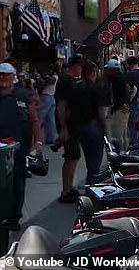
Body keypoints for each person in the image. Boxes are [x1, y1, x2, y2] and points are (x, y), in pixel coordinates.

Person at [0, 62, 42, 252]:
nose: (2, 79)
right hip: (1, 150)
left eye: (5, 75)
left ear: (12, 77)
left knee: (18, 180)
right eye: (0, 75)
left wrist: (38, 143)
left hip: (19, 148)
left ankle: (14, 216)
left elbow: (34, 120)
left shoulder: (23, 96)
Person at [55, 54, 85, 203]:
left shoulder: (71, 81)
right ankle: (65, 191)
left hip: (72, 124)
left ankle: (69, 187)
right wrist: (63, 128)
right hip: (68, 125)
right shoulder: (65, 81)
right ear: (75, 66)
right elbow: (61, 106)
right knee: (71, 156)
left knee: (74, 156)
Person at [76, 61, 108, 185]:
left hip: (80, 125)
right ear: (94, 73)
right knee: (95, 160)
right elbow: (101, 112)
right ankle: (92, 184)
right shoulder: (97, 89)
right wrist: (104, 129)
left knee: (89, 158)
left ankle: (91, 181)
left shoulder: (76, 87)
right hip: (93, 125)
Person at [104, 59, 132, 150]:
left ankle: (121, 152)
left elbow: (119, 96)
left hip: (119, 109)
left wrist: (120, 104)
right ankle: (125, 150)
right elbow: (133, 88)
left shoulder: (117, 80)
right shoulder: (123, 77)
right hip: (123, 108)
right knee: (123, 133)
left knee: (118, 134)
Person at [37, 63, 59, 145]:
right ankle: (50, 138)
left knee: (40, 117)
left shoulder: (54, 77)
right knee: (50, 119)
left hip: (46, 96)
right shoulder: (55, 77)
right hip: (51, 97)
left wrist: (42, 79)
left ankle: (35, 137)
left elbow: (46, 83)